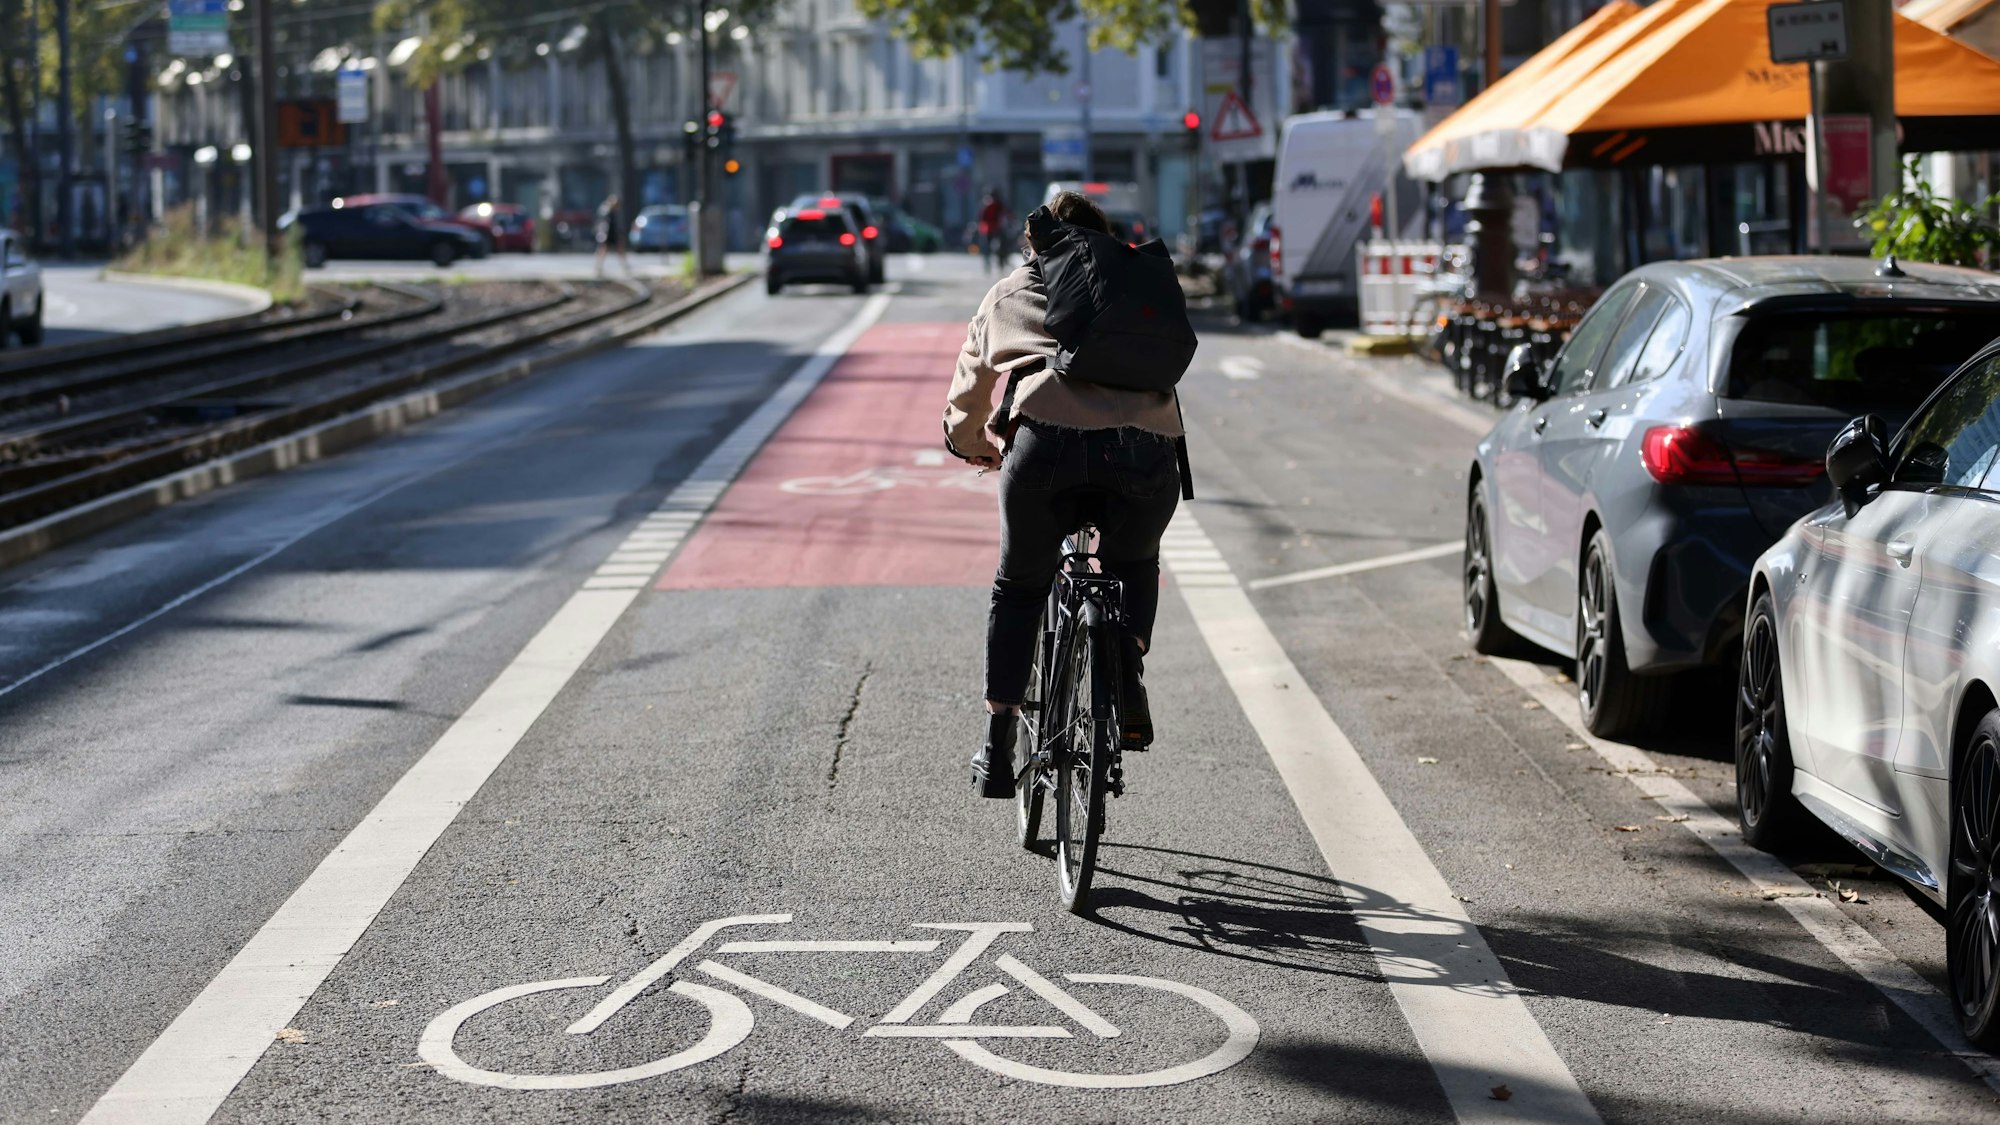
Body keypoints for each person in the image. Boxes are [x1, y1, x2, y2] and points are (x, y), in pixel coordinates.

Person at [942, 191, 1184, 798]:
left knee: (1020, 587)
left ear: (1034, 243)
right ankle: (1126, 666)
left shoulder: (1009, 292)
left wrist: (970, 441)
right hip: (1147, 452)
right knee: (1134, 562)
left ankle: (998, 746)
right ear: (1102, 239)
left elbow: (972, 385)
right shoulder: (1130, 285)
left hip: (1047, 445)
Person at [594, 192, 630, 278]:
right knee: (603, 251)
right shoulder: (606, 211)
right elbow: (603, 224)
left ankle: (625, 267)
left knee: (619, 250)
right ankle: (598, 267)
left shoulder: (612, 211)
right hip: (607, 234)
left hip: (612, 234)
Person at [976, 189, 1010, 273]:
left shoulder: (987, 203)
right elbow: (1006, 212)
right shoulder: (995, 203)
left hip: (989, 228)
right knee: (1000, 246)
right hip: (993, 228)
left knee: (987, 248)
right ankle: (999, 264)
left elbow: (980, 216)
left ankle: (990, 265)